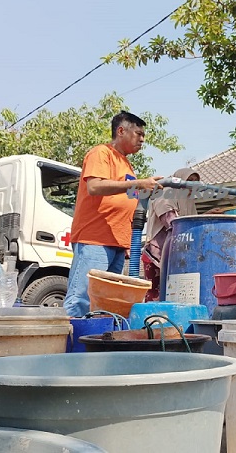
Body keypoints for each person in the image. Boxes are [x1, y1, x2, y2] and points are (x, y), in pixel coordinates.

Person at [64, 111, 162, 318]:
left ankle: (93, 345)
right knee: (82, 298)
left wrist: (148, 190)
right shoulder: (101, 153)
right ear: (121, 131)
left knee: (106, 303)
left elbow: (128, 193)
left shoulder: (126, 165)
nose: (142, 140)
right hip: (95, 240)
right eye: (138, 134)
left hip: (118, 243)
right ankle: (69, 347)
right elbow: (95, 186)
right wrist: (138, 183)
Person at [140, 168, 226, 300]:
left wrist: (207, 215)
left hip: (178, 254)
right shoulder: (164, 193)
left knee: (175, 294)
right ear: (179, 180)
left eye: (196, 181)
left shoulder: (188, 199)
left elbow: (189, 223)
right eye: (189, 180)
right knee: (156, 295)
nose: (193, 184)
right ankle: (155, 320)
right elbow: (172, 222)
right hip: (158, 253)